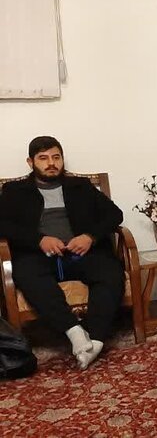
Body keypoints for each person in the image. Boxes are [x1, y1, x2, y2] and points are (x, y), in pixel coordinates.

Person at [0, 136, 125, 369]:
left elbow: (114, 214)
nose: (51, 163)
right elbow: (3, 224)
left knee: (110, 272)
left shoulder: (81, 186)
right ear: (30, 162)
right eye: (43, 158)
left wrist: (89, 236)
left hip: (81, 253)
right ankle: (74, 331)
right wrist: (39, 240)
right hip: (39, 256)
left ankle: (95, 340)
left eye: (56, 157)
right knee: (28, 275)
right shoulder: (15, 191)